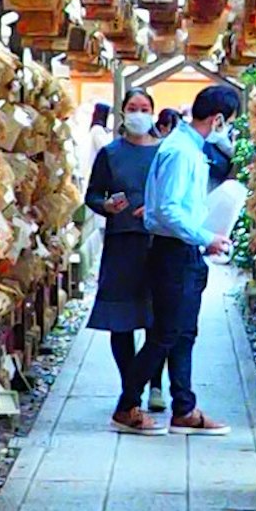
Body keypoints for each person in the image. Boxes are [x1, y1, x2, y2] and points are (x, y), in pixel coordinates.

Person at [141, 79, 234, 432]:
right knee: (167, 334)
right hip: (174, 251)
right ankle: (127, 403)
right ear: (218, 120)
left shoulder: (188, 148)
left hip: (184, 251)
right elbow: (168, 211)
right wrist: (206, 236)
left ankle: (184, 408)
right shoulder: (181, 151)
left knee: (183, 334)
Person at [86, 97, 162, 427]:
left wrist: (158, 211)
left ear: (154, 113)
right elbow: (92, 194)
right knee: (121, 319)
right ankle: (129, 386)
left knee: (157, 318)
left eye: (145, 108)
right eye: (133, 108)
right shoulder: (110, 154)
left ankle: (152, 384)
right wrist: (106, 207)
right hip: (121, 242)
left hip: (157, 242)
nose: (139, 114)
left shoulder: (163, 153)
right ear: (123, 113)